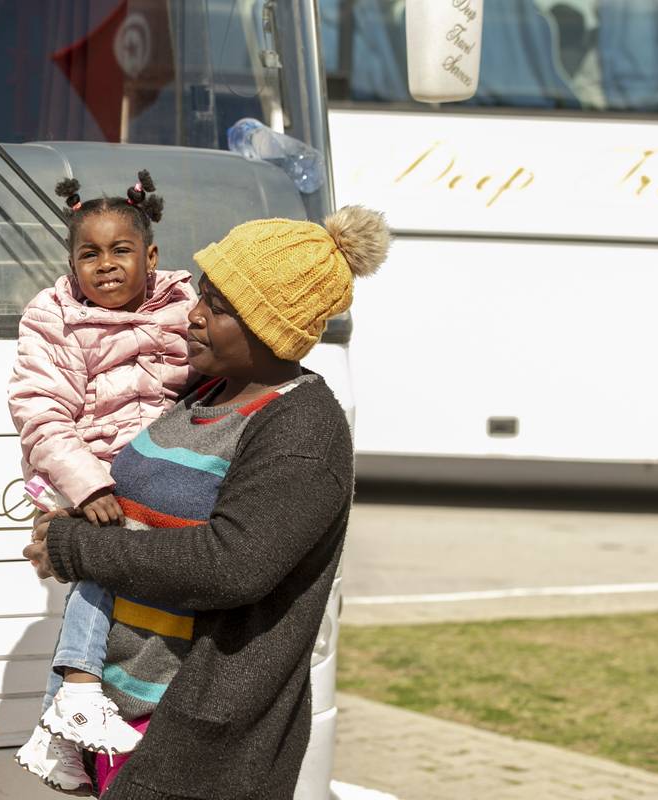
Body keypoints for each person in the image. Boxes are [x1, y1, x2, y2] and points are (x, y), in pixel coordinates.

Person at [24, 207, 391, 799]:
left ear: (269, 327)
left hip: (193, 740)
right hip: (121, 710)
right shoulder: (203, 392)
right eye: (202, 296)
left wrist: (77, 547)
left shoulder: (301, 431)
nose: (192, 315)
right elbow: (142, 511)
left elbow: (230, 563)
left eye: (217, 307)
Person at [8, 170, 198, 794]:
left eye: (121, 251)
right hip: (80, 478)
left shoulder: (186, 308)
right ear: (71, 263)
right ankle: (81, 693)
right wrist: (90, 487)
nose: (105, 265)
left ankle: (57, 730)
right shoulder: (54, 316)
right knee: (100, 569)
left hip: (155, 476)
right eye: (89, 254)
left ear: (151, 257)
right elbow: (40, 413)